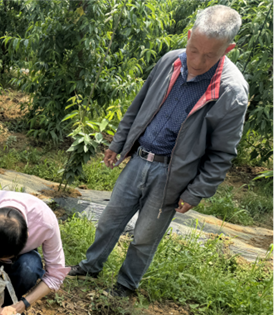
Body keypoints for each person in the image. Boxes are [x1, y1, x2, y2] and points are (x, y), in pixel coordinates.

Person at [67, 5, 248, 297]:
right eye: (193, 50)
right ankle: (90, 267)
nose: (198, 61)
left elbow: (222, 153)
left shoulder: (231, 91)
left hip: (171, 175)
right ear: (189, 35)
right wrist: (119, 143)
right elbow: (138, 105)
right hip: (139, 160)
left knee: (145, 236)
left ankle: (125, 287)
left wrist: (196, 191)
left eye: (209, 55)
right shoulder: (169, 62)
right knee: (110, 220)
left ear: (228, 49)